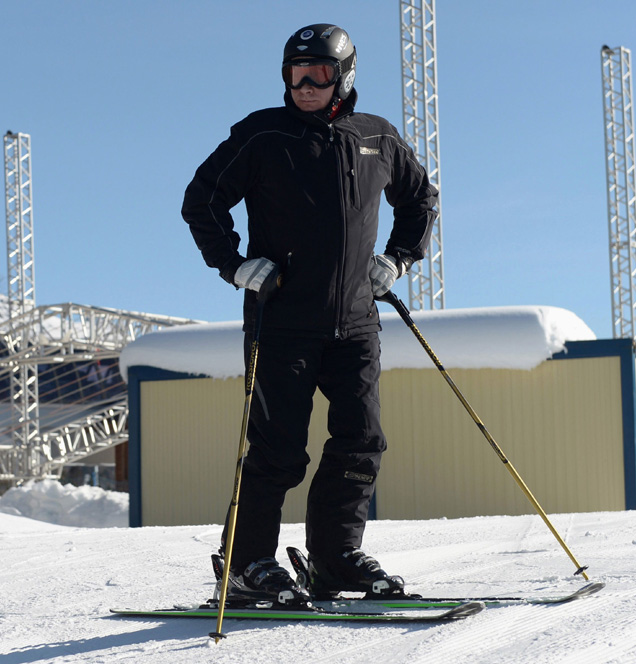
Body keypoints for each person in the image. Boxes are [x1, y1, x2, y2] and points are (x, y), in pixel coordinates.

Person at [181, 23, 438, 606]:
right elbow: (202, 199)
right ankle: (247, 566)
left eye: (317, 74)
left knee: (361, 439)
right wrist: (234, 265)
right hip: (282, 321)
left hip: (355, 322)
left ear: (343, 77)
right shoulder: (263, 134)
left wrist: (397, 260)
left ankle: (334, 558)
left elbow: (420, 198)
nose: (303, 86)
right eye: (294, 75)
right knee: (278, 449)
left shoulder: (375, 137)